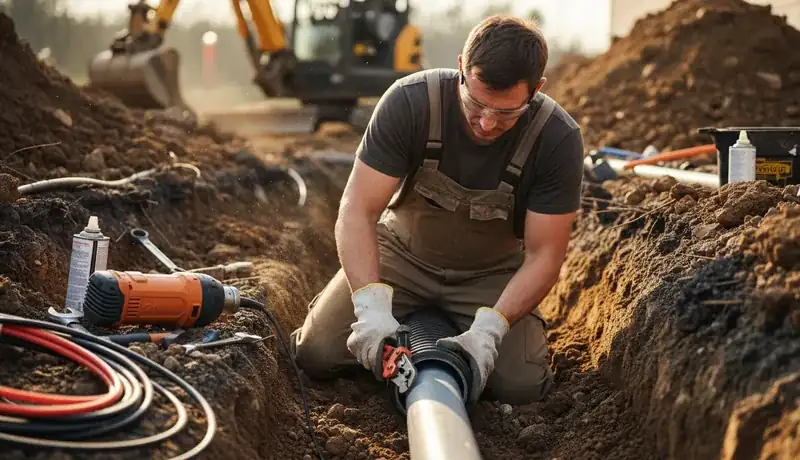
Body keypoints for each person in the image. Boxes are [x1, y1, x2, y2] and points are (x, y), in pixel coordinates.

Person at [290, 14, 584, 405]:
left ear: (536, 90)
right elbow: (358, 208)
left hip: (489, 275)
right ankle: (400, 320)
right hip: (403, 258)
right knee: (317, 353)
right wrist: (371, 307)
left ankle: (447, 329)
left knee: (522, 387)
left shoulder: (557, 139)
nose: (486, 123)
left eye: (506, 113)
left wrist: (491, 330)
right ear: (461, 67)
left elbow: (545, 254)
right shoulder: (411, 102)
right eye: (476, 103)